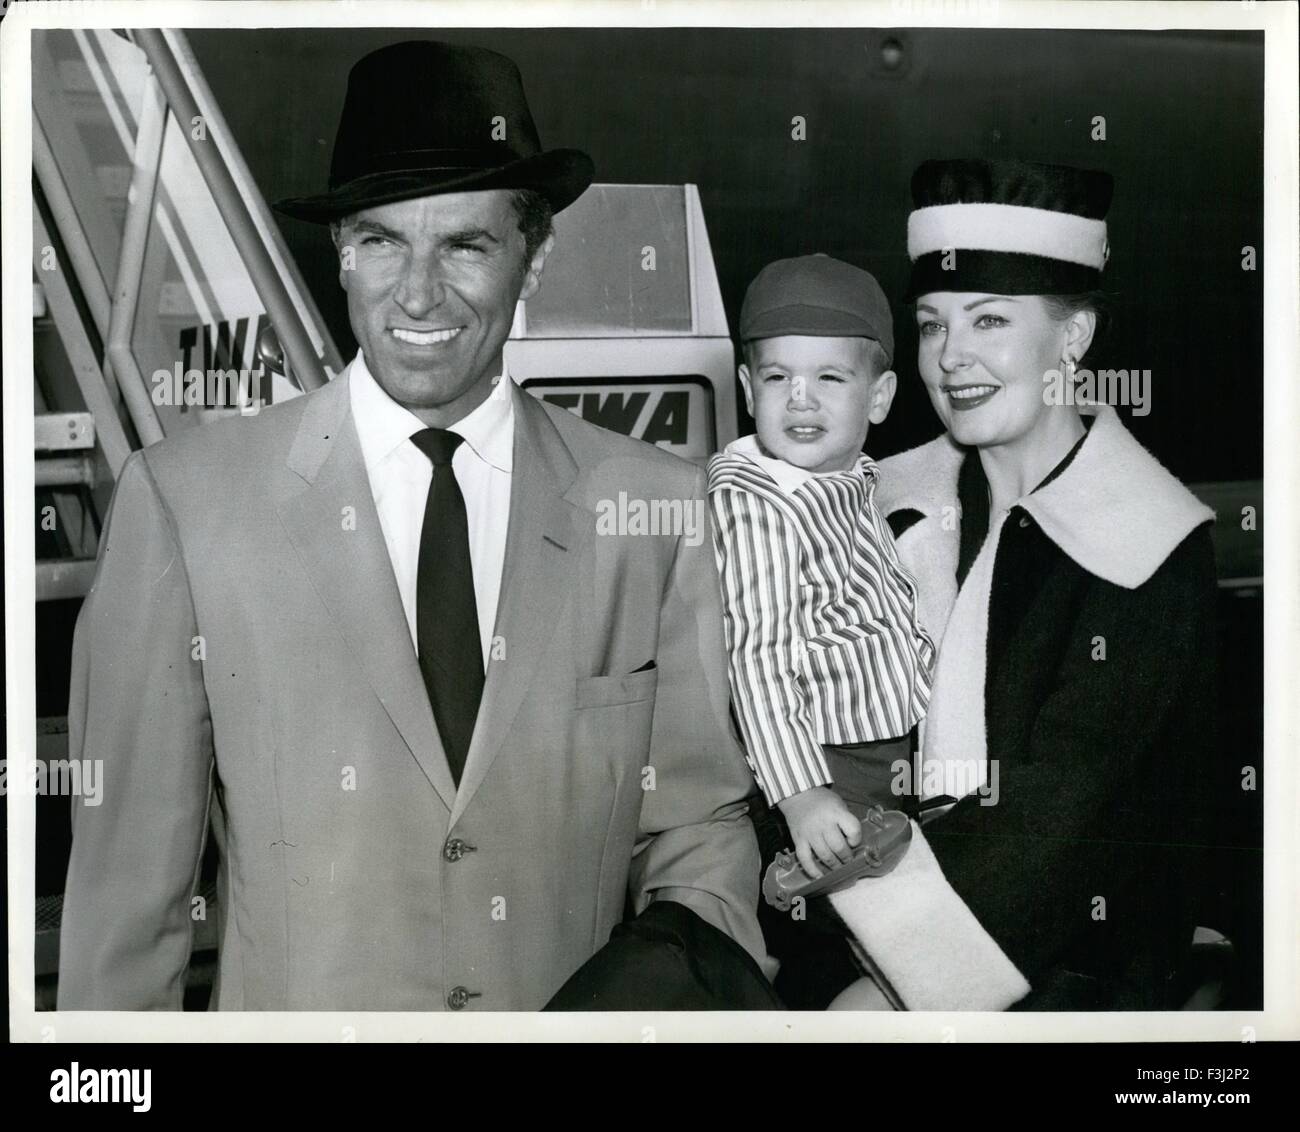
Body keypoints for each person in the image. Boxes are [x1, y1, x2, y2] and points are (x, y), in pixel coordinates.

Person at [58, 39, 772, 1012]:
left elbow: (700, 833)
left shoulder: (654, 506)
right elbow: (125, 910)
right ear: (341, 249)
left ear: (532, 254)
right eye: (383, 240)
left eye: (466, 244)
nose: (418, 293)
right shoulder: (188, 501)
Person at [827, 158, 1218, 1011]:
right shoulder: (875, 500)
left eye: (990, 320)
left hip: (1074, 972)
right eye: (932, 325)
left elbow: (1060, 822)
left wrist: (890, 986)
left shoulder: (1152, 546)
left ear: (1073, 339)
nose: (951, 358)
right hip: (850, 919)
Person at [707, 255, 935, 1009]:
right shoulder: (757, 501)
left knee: (895, 938)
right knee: (834, 943)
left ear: (880, 397)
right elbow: (758, 659)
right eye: (776, 378)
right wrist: (802, 797)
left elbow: (890, 614)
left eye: (830, 379)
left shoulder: (853, 479)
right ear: (746, 390)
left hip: (892, 755)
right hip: (821, 765)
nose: (800, 400)